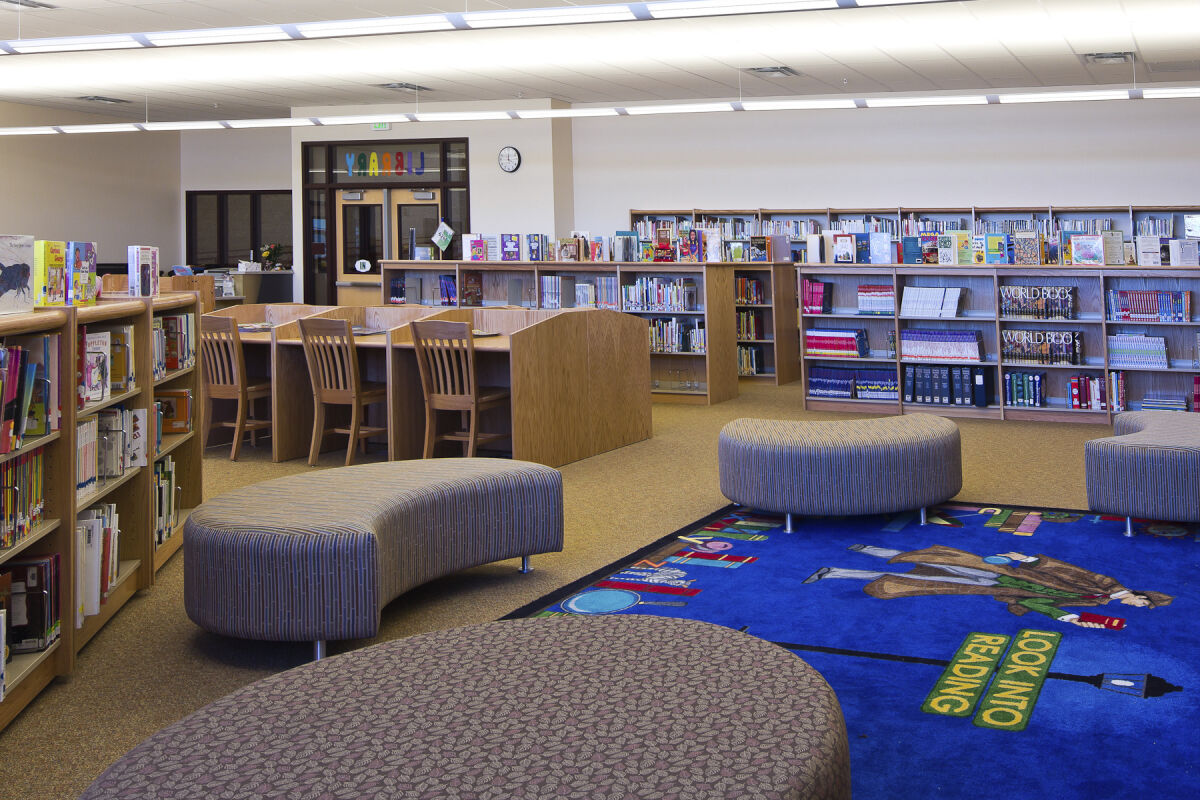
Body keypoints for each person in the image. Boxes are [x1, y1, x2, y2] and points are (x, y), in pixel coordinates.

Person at [804, 544, 1172, 628]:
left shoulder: (1103, 604)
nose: (1136, 608)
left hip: (1004, 587)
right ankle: (872, 549)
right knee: (939, 561)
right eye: (1142, 605)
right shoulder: (1108, 585)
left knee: (924, 579)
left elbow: (1047, 603)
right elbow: (1066, 569)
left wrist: (1070, 619)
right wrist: (1029, 560)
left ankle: (835, 572)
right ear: (1140, 595)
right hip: (1012, 575)